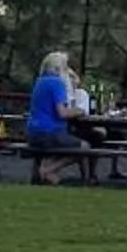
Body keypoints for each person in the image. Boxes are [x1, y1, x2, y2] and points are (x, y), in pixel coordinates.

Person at [25, 50, 87, 184]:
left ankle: (46, 174)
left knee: (61, 144)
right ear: (59, 68)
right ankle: (48, 170)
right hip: (49, 132)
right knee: (84, 147)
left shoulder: (40, 81)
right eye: (66, 67)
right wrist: (80, 111)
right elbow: (62, 113)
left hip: (33, 132)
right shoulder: (57, 83)